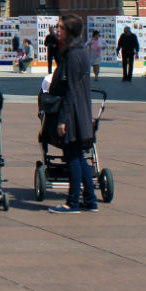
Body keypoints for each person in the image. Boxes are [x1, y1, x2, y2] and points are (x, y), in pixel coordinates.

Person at [48, 14, 98, 213]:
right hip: (81, 111)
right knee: (79, 157)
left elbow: (69, 90)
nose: (57, 30)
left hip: (73, 113)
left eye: (60, 27)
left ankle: (72, 203)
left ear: (70, 31)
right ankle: (90, 199)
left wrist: (62, 120)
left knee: (73, 158)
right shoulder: (78, 52)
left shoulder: (72, 55)